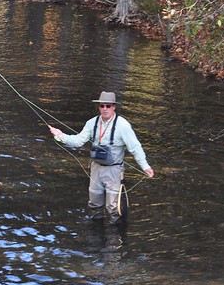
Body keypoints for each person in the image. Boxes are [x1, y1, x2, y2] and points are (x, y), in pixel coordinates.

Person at [48, 91, 154, 224]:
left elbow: (135, 147)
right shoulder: (92, 123)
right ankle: (96, 232)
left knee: (113, 207)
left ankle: (115, 238)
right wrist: (60, 135)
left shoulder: (123, 125)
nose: (105, 109)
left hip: (114, 171)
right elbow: (78, 141)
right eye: (102, 106)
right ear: (98, 107)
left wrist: (145, 166)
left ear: (114, 107)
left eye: (108, 106)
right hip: (96, 168)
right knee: (94, 203)